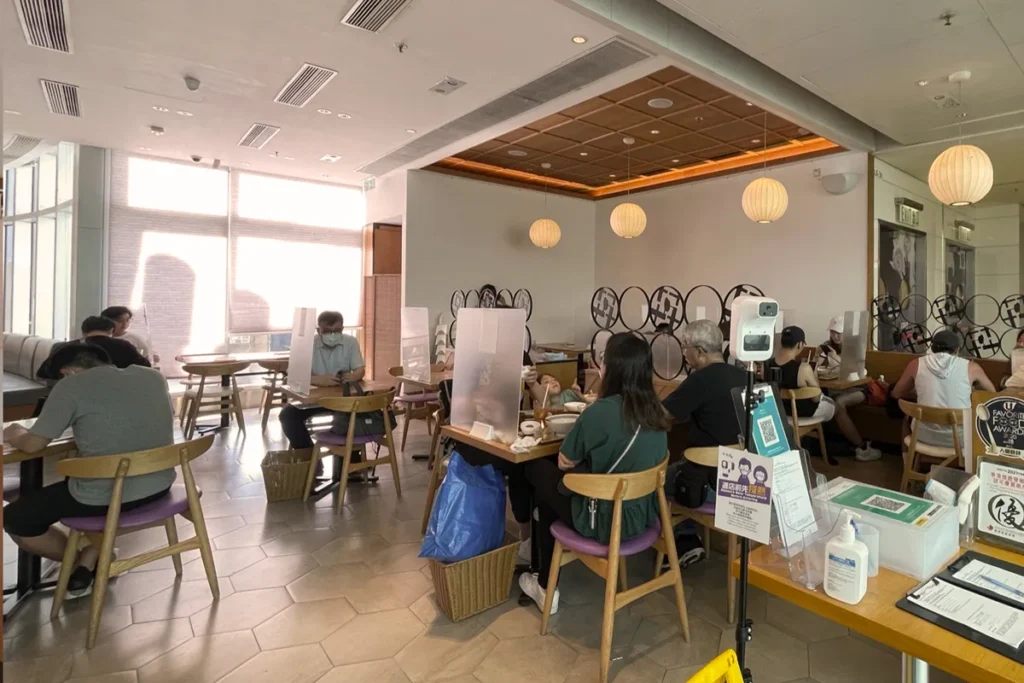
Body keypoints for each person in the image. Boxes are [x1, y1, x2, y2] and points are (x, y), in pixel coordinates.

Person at [3, 343, 175, 596]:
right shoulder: (152, 376)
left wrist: (13, 431)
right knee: (91, 482)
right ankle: (90, 560)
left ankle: (82, 563)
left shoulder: (71, 387)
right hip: (159, 484)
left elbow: (33, 444)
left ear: (67, 372)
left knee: (16, 518)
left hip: (108, 497)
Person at [519, 332, 670, 614]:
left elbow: (564, 460)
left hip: (605, 521)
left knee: (537, 470)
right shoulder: (657, 411)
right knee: (553, 489)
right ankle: (539, 562)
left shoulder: (599, 412)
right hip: (644, 516)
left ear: (611, 368)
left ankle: (543, 583)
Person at [892, 329, 995, 447]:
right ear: (957, 349)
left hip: (923, 436)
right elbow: (992, 395)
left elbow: (896, 393)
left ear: (932, 348)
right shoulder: (971, 367)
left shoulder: (916, 364)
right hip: (961, 439)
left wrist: (920, 392)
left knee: (906, 417)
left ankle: (907, 462)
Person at [279, 310, 365, 450]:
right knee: (288, 415)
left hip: (343, 399)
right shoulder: (306, 345)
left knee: (352, 415)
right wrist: (317, 380)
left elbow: (360, 369)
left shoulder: (351, 342)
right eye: (327, 331)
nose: (332, 334)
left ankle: (350, 465)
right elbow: (291, 378)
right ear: (319, 330)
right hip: (315, 400)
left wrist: (355, 375)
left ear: (342, 329)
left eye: (337, 330)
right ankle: (309, 457)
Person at [766, 326, 839, 462]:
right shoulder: (803, 368)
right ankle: (831, 448)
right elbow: (817, 398)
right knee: (838, 406)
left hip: (780, 414)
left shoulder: (767, 365)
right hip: (803, 414)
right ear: (800, 344)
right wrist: (814, 374)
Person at [817, 316, 881, 462]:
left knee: (838, 402)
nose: (835, 336)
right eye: (833, 332)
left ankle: (861, 447)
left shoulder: (855, 346)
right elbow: (818, 368)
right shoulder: (826, 346)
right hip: (835, 389)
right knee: (828, 400)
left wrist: (836, 358)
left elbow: (858, 372)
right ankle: (840, 443)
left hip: (857, 389)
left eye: (839, 333)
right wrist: (818, 358)